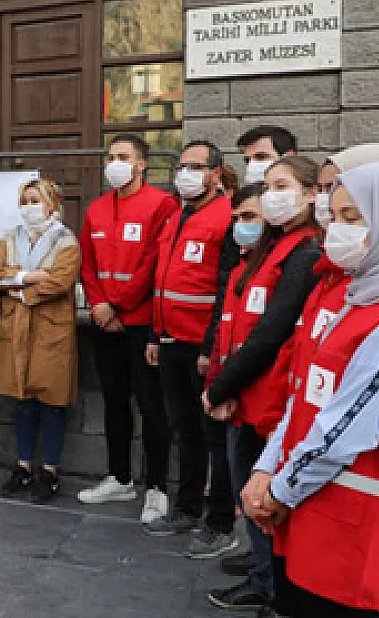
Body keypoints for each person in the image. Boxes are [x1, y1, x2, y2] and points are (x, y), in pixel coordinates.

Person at [244, 161, 379, 617]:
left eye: (354, 219)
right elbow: (307, 395)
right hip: (316, 513)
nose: (336, 231)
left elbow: (345, 426)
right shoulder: (361, 296)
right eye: (336, 216)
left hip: (358, 540)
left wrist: (279, 490)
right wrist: (267, 468)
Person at [202, 158, 322, 613]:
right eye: (267, 186)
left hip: (268, 399)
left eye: (281, 185)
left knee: (263, 497)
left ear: (310, 194)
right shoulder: (269, 251)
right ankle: (263, 573)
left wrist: (219, 388)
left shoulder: (304, 252)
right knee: (247, 492)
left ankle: (271, 585)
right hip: (245, 396)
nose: (272, 194)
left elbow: (269, 335)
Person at [144, 141, 237, 560]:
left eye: (195, 167)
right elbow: (161, 282)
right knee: (185, 430)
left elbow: (225, 290)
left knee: (214, 437)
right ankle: (186, 508)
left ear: (216, 173)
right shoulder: (177, 215)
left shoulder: (227, 217)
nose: (185, 173)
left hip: (204, 347)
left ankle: (220, 522)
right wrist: (154, 334)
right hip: (170, 341)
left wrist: (211, 345)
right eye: (181, 166)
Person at [76, 134, 176, 524]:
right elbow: (88, 262)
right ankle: (119, 477)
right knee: (114, 402)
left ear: (142, 164)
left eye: (123, 156)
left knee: (152, 406)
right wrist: (100, 304)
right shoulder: (97, 209)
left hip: (141, 322)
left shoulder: (161, 205)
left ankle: (156, 487)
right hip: (105, 323)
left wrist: (116, 303)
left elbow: (154, 262)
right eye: (110, 156)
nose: (114, 162)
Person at [0, 179, 80, 505]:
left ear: (52, 204)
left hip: (50, 329)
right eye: (24, 200)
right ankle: (23, 465)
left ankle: (51, 470)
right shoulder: (11, 237)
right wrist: (29, 276)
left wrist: (20, 291)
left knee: (52, 403)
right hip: (17, 330)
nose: (29, 206)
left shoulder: (66, 240)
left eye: (35, 200)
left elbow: (60, 280)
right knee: (23, 401)